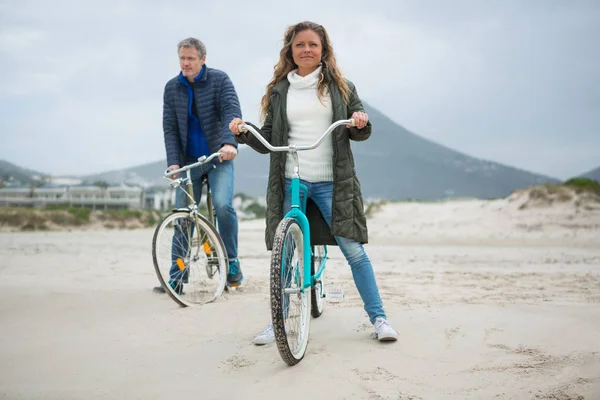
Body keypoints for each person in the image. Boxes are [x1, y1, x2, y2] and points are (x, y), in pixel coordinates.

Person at [229, 21, 398, 343]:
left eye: (313, 44)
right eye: (299, 45)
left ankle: (379, 320)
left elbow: (360, 128)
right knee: (287, 252)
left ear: (323, 50)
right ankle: (279, 321)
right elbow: (267, 139)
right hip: (292, 179)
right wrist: (243, 131)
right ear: (290, 51)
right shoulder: (279, 91)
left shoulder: (341, 87)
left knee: (354, 250)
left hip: (332, 180)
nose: (306, 49)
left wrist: (360, 122)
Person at [154, 37, 243, 293]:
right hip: (188, 162)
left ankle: (232, 263)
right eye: (182, 58)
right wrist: (173, 163)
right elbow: (169, 128)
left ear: (203, 59)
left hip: (218, 157)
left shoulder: (220, 80)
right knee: (182, 215)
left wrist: (229, 143)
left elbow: (231, 111)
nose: (185, 63)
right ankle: (177, 278)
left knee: (224, 206)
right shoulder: (172, 88)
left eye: (191, 58)